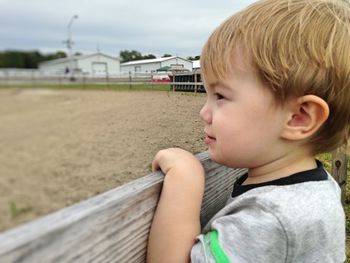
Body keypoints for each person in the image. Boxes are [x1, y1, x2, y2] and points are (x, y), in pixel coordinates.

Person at [147, 0, 349, 262]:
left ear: (299, 118)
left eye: (220, 95)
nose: (203, 113)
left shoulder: (270, 218)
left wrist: (186, 178)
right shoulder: (318, 188)